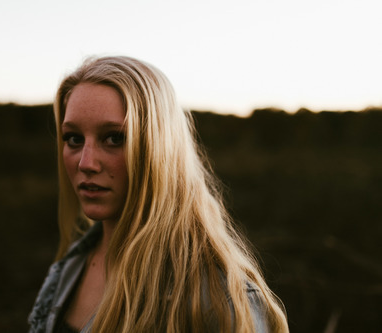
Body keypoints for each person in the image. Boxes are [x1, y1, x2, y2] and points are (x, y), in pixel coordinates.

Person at [29, 56, 288, 333]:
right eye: (74, 139)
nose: (86, 163)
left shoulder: (218, 301)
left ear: (159, 148)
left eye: (115, 138)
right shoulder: (70, 267)